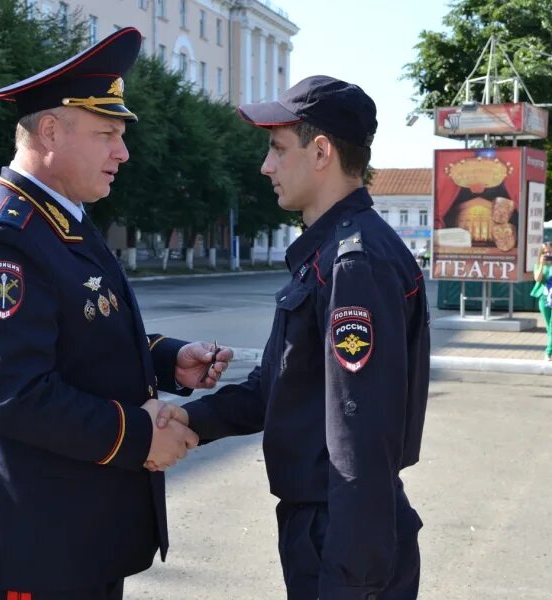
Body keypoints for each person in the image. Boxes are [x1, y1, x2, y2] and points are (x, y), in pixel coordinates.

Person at [0, 27, 231, 600]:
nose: (122, 151)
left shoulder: (61, 220)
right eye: (107, 134)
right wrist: (140, 437)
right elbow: (18, 395)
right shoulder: (6, 240)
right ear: (50, 131)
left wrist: (172, 359)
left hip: (78, 534)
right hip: (40, 544)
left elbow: (83, 330)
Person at [156, 75, 430, 599]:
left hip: (345, 534)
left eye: (278, 149)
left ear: (321, 150)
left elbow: (359, 436)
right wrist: (189, 418)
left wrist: (350, 577)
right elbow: (279, 387)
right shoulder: (329, 253)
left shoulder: (355, 262)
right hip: (326, 524)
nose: (266, 166)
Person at [530, 242, 552, 360]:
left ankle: (548, 352)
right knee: (549, 328)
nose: (548, 254)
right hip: (544, 299)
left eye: (550, 251)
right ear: (541, 254)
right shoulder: (538, 265)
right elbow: (537, 279)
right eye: (545, 252)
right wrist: (543, 265)